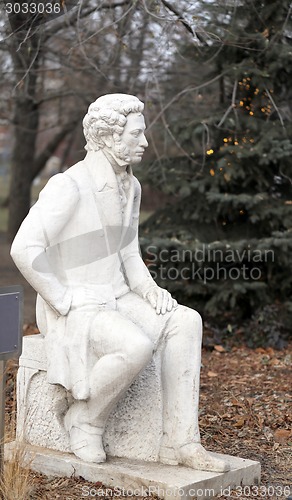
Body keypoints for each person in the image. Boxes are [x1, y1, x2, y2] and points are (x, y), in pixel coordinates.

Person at [11, 94, 229, 472]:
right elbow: (24, 247)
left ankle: (181, 443)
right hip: (75, 306)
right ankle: (86, 419)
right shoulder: (70, 185)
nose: (144, 142)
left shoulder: (132, 187)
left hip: (118, 296)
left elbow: (129, 255)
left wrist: (150, 291)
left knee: (184, 321)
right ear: (109, 137)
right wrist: (63, 298)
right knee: (135, 345)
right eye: (137, 134)